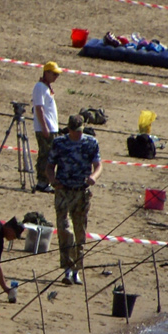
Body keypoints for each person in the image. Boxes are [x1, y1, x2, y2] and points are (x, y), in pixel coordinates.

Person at [46, 114, 102, 285]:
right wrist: (52, 180)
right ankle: (67, 268)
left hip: (81, 192)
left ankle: (77, 270)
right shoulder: (59, 143)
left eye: (80, 131)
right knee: (64, 230)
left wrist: (94, 177)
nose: (77, 134)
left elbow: (98, 165)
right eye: (74, 131)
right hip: (64, 191)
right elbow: (49, 165)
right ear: (69, 129)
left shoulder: (90, 142)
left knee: (80, 233)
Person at [30, 62, 60, 191]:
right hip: (45, 127)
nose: (55, 76)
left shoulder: (47, 88)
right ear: (46, 72)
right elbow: (39, 108)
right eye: (53, 73)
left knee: (50, 155)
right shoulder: (40, 87)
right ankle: (42, 181)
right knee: (45, 154)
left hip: (52, 127)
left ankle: (46, 181)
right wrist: (44, 127)